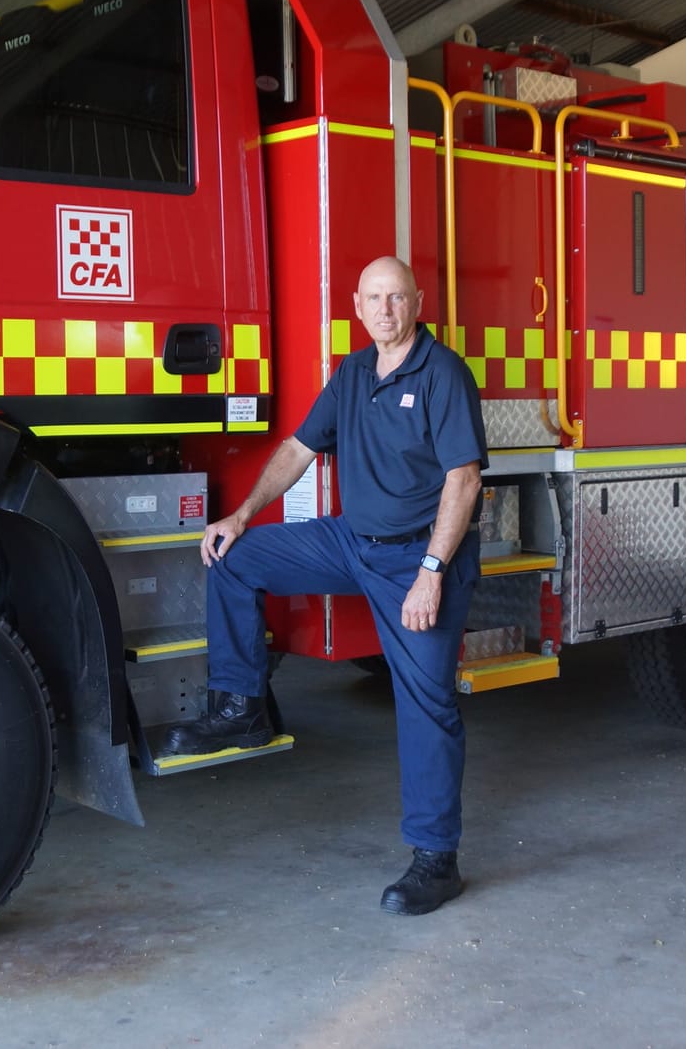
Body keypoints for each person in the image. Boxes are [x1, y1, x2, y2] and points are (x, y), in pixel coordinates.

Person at [162, 255, 485, 916]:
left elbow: (464, 478)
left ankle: (435, 858)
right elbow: (298, 448)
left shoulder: (444, 372)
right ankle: (240, 706)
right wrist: (243, 512)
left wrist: (431, 573)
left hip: (417, 559)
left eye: (397, 297)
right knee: (234, 556)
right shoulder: (354, 372)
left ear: (417, 302)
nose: (386, 309)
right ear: (358, 308)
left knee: (426, 706)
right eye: (374, 298)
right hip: (349, 541)